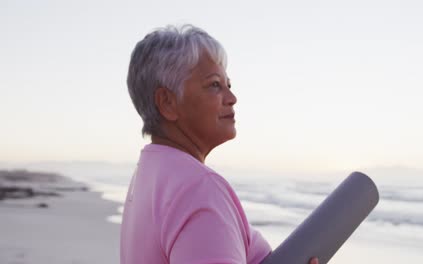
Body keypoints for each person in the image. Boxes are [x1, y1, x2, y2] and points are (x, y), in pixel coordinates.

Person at [120, 24, 319, 264]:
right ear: (167, 102)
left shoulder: (150, 173)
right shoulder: (198, 189)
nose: (232, 98)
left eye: (229, 85)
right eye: (215, 85)